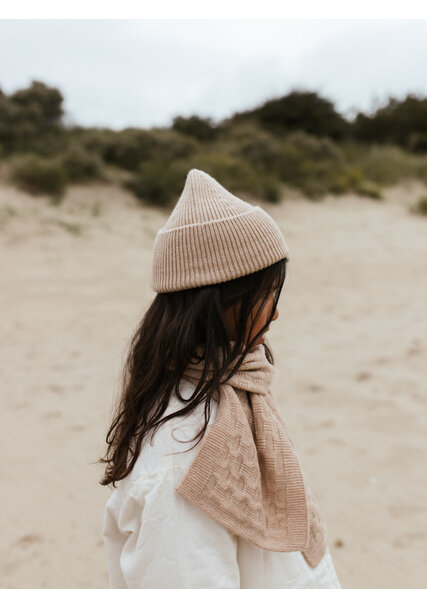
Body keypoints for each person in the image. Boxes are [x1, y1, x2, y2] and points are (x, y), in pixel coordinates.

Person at [99, 168, 342, 589]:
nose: (276, 312)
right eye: (265, 295)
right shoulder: (179, 459)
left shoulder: (238, 392)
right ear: (218, 302)